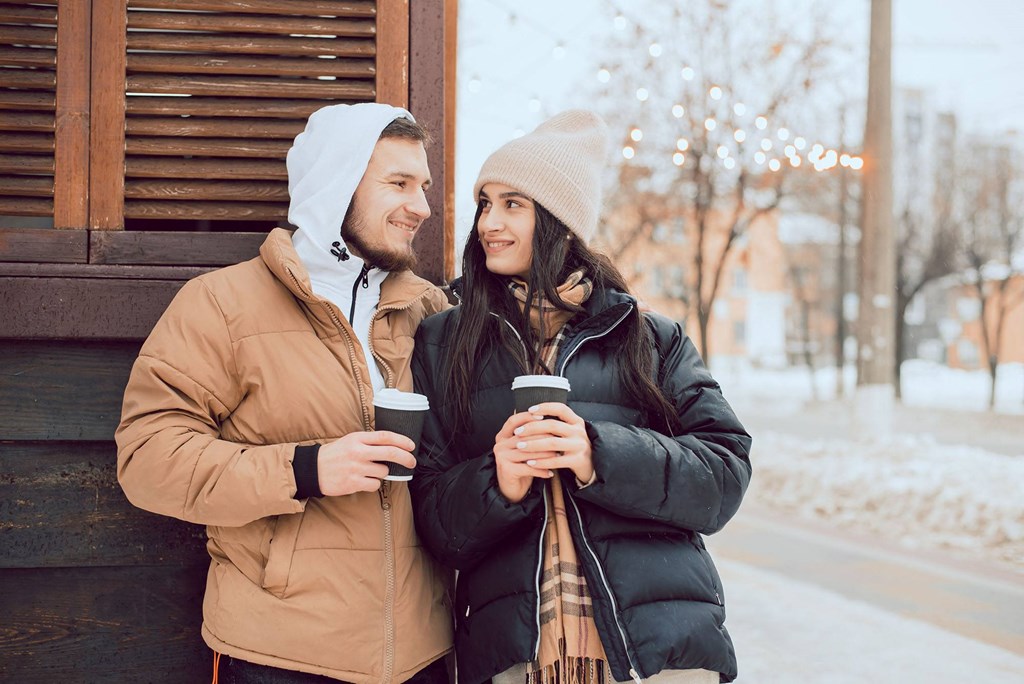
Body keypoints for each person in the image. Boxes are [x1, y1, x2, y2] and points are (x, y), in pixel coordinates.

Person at [409, 110, 752, 684]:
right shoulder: (446, 341)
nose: (489, 221)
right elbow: (431, 520)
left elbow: (724, 476)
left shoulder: (648, 338)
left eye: (512, 204)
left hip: (657, 654)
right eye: (485, 203)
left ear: (561, 222)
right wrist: (499, 482)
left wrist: (599, 454)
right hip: (518, 657)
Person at [115, 103, 453, 683]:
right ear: (336, 184)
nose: (421, 207)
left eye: (422, 186)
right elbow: (148, 459)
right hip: (278, 654)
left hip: (423, 655)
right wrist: (306, 469)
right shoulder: (221, 304)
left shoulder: (431, 309)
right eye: (398, 183)